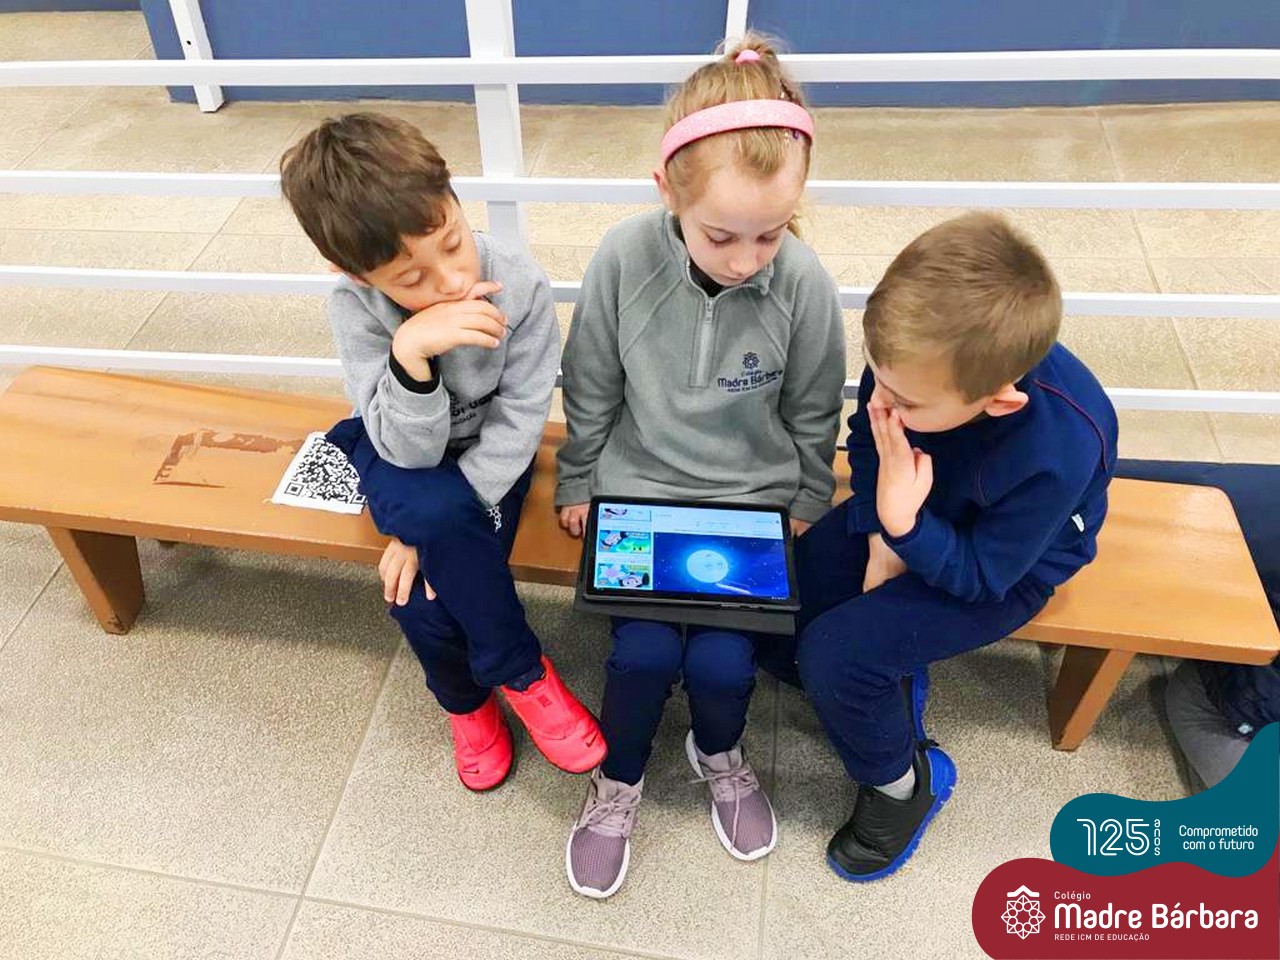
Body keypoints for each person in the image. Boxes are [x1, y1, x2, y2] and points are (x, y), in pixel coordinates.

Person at [554, 34, 846, 898]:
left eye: (771, 234)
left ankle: (718, 752)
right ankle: (617, 781)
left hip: (748, 505)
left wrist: (806, 493)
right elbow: (591, 382)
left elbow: (814, 406)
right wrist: (578, 477)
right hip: (638, 492)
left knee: (723, 665)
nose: (748, 259)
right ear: (667, 191)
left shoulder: (804, 284)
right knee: (643, 656)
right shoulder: (622, 258)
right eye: (722, 235)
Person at [279, 112, 606, 794]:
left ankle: (468, 702)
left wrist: (424, 532)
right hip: (396, 453)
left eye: (453, 244)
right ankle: (520, 674)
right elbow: (399, 447)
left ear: (455, 198)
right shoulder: (356, 308)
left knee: (421, 603)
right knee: (424, 545)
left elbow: (520, 418)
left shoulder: (518, 281)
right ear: (355, 275)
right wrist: (411, 355)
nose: (452, 281)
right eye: (411, 278)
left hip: (487, 466)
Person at [787, 212, 1117, 881]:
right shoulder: (908, 369)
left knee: (834, 657)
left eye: (904, 400)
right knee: (783, 606)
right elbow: (872, 438)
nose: (883, 398)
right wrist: (881, 535)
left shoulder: (1059, 449)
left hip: (1005, 566)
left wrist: (906, 529)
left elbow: (985, 576)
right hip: (909, 510)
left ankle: (903, 785)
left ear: (997, 402)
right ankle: (887, 683)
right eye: (876, 372)